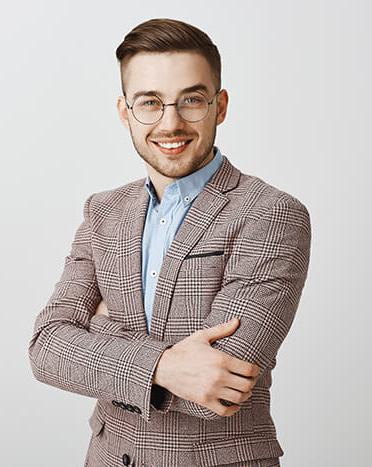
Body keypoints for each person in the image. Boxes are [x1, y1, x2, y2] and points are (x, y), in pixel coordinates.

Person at [28, 18, 311, 467]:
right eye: (150, 103)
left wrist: (96, 331)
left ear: (220, 106)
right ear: (126, 112)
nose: (171, 122)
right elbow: (46, 350)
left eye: (191, 100)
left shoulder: (271, 214)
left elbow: (216, 387)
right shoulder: (103, 212)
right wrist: (167, 366)